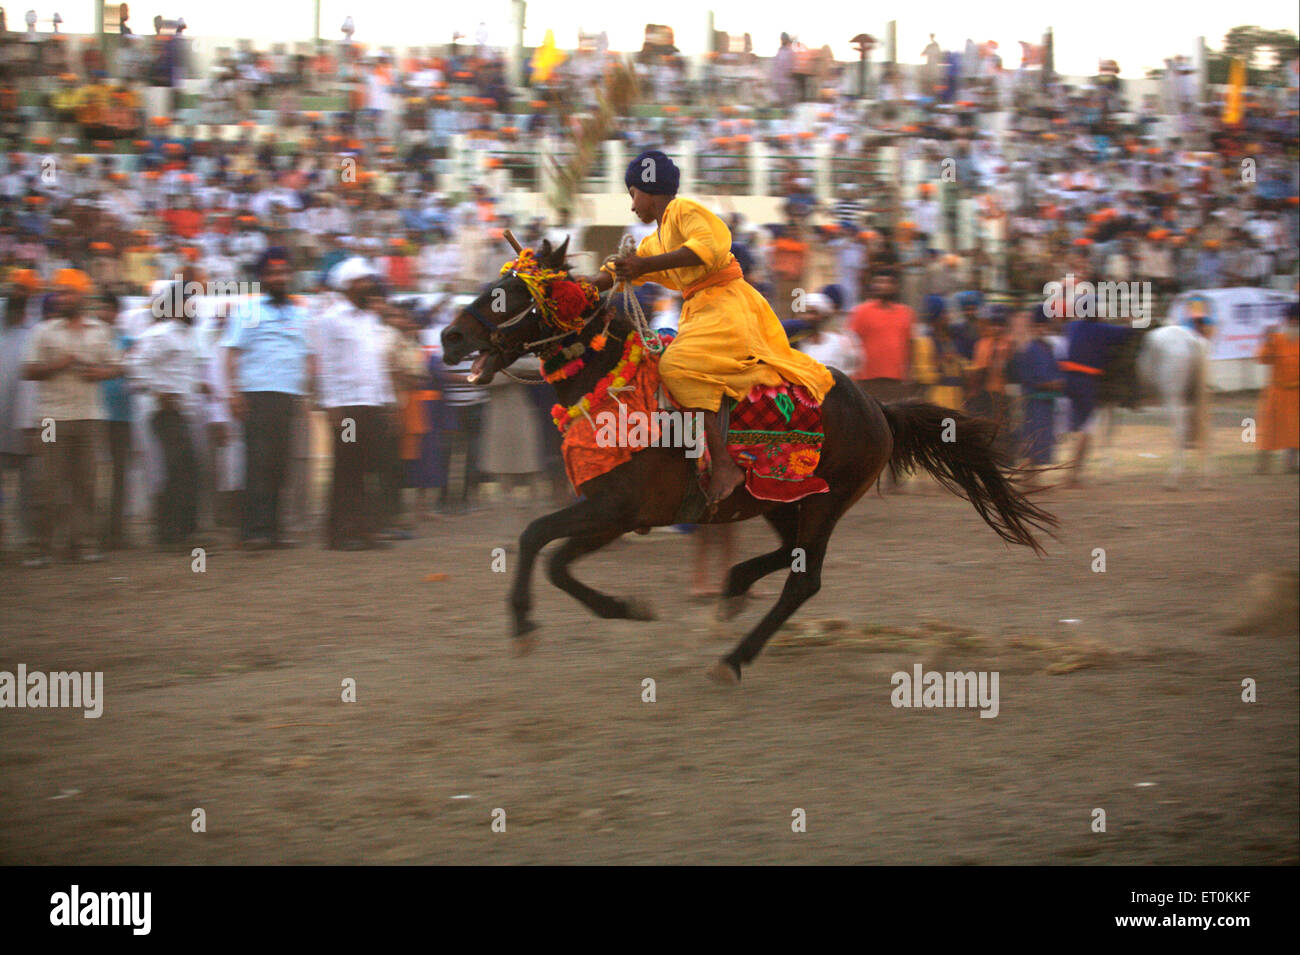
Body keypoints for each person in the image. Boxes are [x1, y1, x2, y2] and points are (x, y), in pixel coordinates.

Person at [588, 150, 835, 506]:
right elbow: (618, 272)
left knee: (675, 366)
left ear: (651, 190)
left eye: (633, 195)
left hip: (727, 305)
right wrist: (576, 285)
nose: (631, 206)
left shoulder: (685, 212)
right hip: (701, 311)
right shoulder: (654, 240)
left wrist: (642, 264)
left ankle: (723, 464)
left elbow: (705, 249)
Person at [20, 269, 122, 566]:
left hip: (89, 416)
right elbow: (28, 371)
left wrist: (98, 373)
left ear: (82, 296)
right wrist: (59, 364)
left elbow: (116, 367)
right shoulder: (43, 331)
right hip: (52, 417)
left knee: (87, 483)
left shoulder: (99, 330)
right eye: (60, 293)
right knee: (48, 484)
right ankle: (42, 547)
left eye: (68, 293)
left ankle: (84, 544)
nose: (62, 298)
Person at [223, 247, 314, 551]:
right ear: (262, 278)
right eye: (273, 273)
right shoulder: (248, 311)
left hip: (288, 397)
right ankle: (253, 532)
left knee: (280, 466)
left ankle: (274, 531)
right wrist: (233, 393)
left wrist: (304, 395)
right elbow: (232, 354)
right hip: (256, 395)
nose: (279, 277)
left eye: (284, 272)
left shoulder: (299, 313)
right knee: (257, 464)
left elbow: (305, 356)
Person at [313, 257, 395, 550]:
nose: (370, 286)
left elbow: (376, 364)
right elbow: (326, 365)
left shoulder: (370, 319)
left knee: (369, 467)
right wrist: (332, 405)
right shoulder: (330, 319)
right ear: (348, 286)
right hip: (347, 408)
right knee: (346, 468)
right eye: (363, 281)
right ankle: (341, 533)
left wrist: (386, 399)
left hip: (372, 404)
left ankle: (365, 529)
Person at [848, 273, 915, 403]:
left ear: (896, 286)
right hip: (867, 379)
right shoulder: (861, 311)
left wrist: (910, 373)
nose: (883, 285)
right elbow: (850, 342)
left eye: (888, 282)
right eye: (879, 282)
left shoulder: (906, 313)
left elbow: (910, 345)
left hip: (896, 380)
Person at [1011, 309, 1063, 475]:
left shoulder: (1047, 348)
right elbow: (1027, 377)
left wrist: (1057, 382)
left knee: (1041, 442)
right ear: (1033, 327)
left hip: (1047, 403)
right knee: (1031, 440)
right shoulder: (1029, 349)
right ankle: (1026, 479)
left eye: (1044, 326)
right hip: (1034, 402)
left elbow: (1055, 371)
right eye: (1038, 326)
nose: (1041, 329)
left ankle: (1032, 479)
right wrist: (1048, 384)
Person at [1254, 302, 1299, 473]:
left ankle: (1291, 464)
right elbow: (1262, 359)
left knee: (1295, 430)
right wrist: (1267, 341)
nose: (1294, 323)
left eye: (1297, 320)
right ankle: (1262, 465)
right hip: (1276, 391)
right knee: (1268, 429)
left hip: (1296, 394)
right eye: (1291, 320)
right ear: (1286, 321)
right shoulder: (1276, 339)